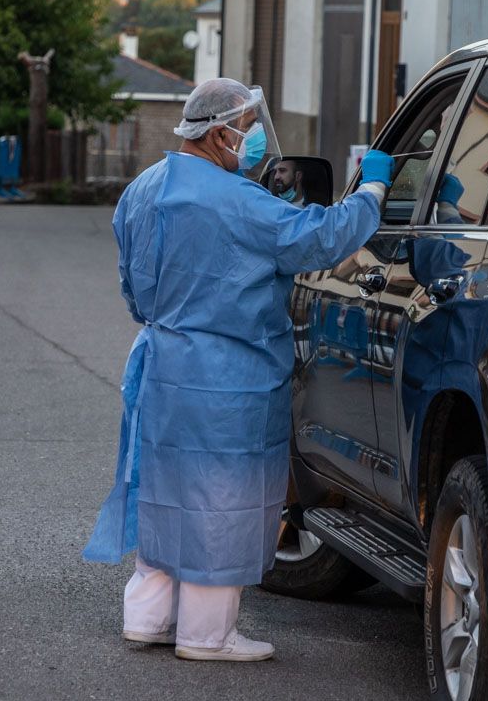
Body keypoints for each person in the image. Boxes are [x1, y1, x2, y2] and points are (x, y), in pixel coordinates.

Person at [83, 77, 394, 662]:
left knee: (165, 488)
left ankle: (147, 618)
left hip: (161, 362)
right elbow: (322, 238)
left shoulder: (142, 190)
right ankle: (207, 634)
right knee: (222, 499)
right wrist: (372, 189)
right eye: (247, 128)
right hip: (230, 373)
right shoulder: (238, 201)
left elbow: (131, 285)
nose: (252, 139)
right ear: (221, 132)